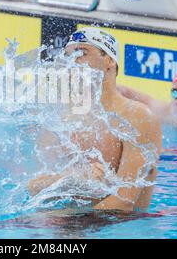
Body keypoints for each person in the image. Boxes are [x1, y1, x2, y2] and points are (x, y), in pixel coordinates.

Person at [28, 27, 162, 212]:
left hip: (119, 228)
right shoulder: (60, 118)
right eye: (67, 55)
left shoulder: (137, 116)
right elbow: (34, 187)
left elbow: (124, 202)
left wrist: (73, 224)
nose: (72, 61)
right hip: (68, 224)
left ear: (109, 61)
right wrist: (71, 179)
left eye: (82, 52)